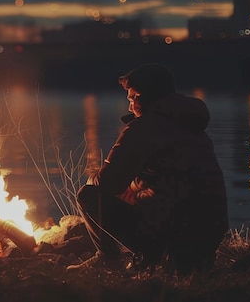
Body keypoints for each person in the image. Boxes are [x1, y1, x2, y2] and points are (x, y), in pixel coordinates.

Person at [68, 63, 229, 274]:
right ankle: (177, 259)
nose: (129, 107)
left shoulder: (145, 127)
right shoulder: (192, 126)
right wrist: (133, 189)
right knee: (128, 193)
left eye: (132, 98)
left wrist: (93, 181)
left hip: (174, 234)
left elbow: (108, 182)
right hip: (210, 234)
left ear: (143, 97)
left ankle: (111, 261)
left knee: (89, 195)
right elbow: (171, 178)